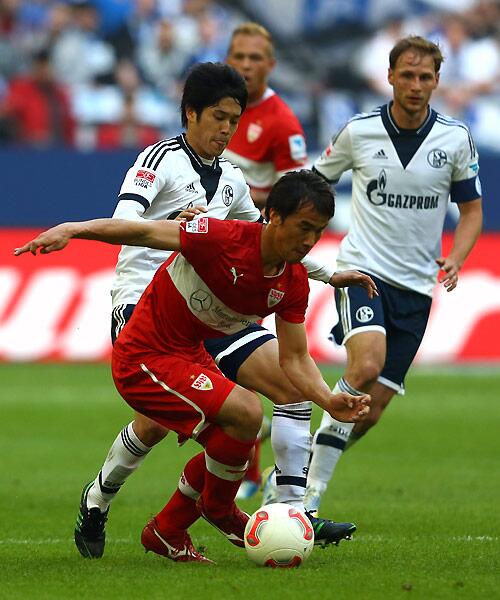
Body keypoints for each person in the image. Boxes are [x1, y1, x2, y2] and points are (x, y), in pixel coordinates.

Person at [32, 61, 374, 559]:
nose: (226, 129)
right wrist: (177, 221)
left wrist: (324, 273)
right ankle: (100, 498)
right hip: (144, 299)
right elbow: (129, 222)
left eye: (233, 120)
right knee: (159, 422)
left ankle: (293, 512)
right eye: (217, 117)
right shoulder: (159, 160)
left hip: (212, 308)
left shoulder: (233, 181)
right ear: (190, 114)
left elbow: (264, 240)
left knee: (282, 388)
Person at [299, 36, 482, 514]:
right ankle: (305, 500)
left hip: (418, 287)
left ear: (437, 81)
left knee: (371, 409)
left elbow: (472, 211)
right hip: (363, 271)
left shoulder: (455, 139)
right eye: (408, 75)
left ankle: (296, 466)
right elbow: (317, 182)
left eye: (425, 77)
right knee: (364, 366)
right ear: (390, 76)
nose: (416, 85)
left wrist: (457, 256)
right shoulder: (359, 132)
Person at [224, 22, 308, 211]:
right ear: (228, 60)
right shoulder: (212, 105)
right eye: (239, 56)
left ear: (271, 65)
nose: (246, 65)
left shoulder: (283, 122)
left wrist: (242, 194)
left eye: (255, 58)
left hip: (246, 230)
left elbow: (296, 194)